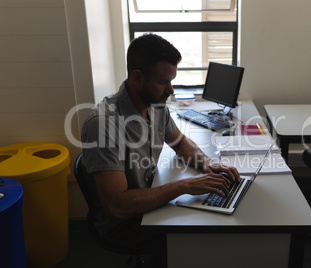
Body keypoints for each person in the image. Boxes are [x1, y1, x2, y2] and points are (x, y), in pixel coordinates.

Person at [80, 33, 240, 258]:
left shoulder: (156, 106)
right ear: (137, 77)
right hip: (124, 225)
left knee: (211, 220)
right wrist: (185, 186)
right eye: (164, 82)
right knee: (202, 236)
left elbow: (180, 142)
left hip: (149, 203)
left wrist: (208, 163)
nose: (171, 90)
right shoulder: (104, 125)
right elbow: (118, 207)